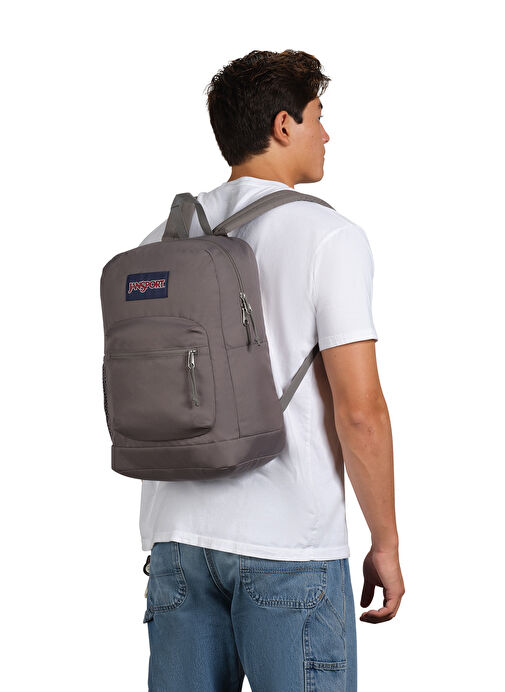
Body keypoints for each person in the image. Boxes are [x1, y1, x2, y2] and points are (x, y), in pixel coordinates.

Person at [138, 49, 405, 692]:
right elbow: (360, 412)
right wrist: (386, 543)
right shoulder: (327, 236)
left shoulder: (160, 240)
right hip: (288, 545)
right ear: (284, 125)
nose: (326, 135)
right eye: (318, 116)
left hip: (175, 543)